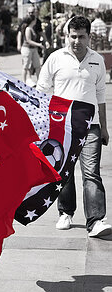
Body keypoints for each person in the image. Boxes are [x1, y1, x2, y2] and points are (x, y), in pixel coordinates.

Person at [36, 16, 111, 238]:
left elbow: (101, 96)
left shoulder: (97, 60)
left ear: (89, 37)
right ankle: (66, 213)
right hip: (63, 126)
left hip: (91, 126)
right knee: (64, 172)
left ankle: (96, 220)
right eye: (72, 36)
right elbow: (41, 90)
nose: (76, 41)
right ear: (67, 35)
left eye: (81, 37)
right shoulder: (55, 58)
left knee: (91, 173)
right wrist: (43, 124)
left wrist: (104, 127)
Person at [20, 15, 44, 86]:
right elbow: (28, 40)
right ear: (32, 21)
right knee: (26, 66)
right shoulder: (28, 29)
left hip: (33, 49)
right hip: (27, 49)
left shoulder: (31, 28)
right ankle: (23, 82)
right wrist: (39, 45)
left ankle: (39, 81)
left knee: (37, 65)